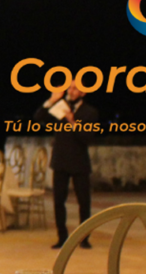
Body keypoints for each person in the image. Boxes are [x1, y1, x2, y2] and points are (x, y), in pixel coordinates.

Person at [33, 85, 100, 249]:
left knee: (84, 202)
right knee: (58, 201)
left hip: (79, 162)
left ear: (83, 92)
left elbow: (87, 137)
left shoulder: (90, 112)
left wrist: (72, 122)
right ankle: (62, 237)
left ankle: (84, 238)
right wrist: (52, 100)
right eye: (70, 88)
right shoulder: (60, 107)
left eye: (75, 89)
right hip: (61, 161)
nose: (71, 91)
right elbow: (38, 117)